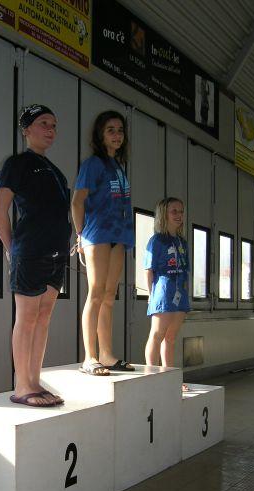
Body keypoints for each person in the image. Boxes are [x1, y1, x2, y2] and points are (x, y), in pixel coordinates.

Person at [0, 104, 71, 406]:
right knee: (26, 318)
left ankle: (35, 381)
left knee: (44, 318)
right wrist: (12, 249)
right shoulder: (17, 163)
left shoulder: (56, 171)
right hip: (30, 251)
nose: (50, 130)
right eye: (43, 123)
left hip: (57, 253)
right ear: (26, 130)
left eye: (53, 125)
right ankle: (22, 386)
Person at [72, 111, 135, 376]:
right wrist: (80, 236)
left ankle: (107, 355)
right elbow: (77, 202)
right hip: (97, 234)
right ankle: (90, 357)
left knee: (109, 296)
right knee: (96, 293)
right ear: (100, 134)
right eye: (111, 130)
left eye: (120, 130)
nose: (117, 135)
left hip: (118, 236)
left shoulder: (118, 167)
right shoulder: (93, 164)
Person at [144, 197, 190, 370]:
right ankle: (151, 374)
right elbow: (149, 270)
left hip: (180, 293)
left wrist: (184, 291)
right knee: (157, 335)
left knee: (170, 338)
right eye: (174, 211)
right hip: (163, 292)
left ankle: (169, 376)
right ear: (164, 214)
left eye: (181, 211)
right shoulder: (156, 240)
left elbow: (185, 269)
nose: (179, 215)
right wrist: (151, 295)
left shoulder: (182, 242)